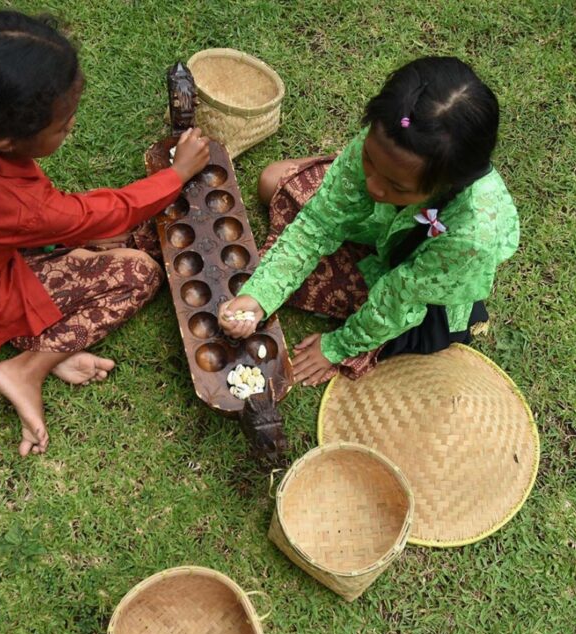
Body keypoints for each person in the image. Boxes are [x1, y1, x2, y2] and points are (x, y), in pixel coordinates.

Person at [0, 11, 209, 455]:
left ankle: (53, 350)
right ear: (8, 143)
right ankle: (26, 369)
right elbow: (99, 215)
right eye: (63, 126)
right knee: (140, 273)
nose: (71, 128)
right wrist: (175, 175)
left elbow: (68, 219)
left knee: (124, 236)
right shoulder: (20, 203)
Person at [218, 56, 519, 386]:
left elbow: (395, 301)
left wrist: (337, 347)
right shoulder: (394, 134)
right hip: (385, 225)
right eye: (368, 159)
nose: (373, 185)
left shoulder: (471, 236)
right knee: (272, 182)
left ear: (447, 184)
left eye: (395, 185)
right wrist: (258, 296)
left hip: (421, 290)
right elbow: (319, 221)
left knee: (327, 290)